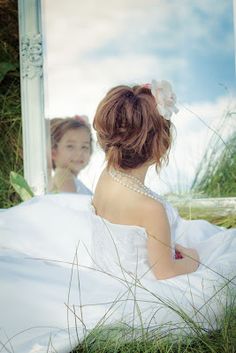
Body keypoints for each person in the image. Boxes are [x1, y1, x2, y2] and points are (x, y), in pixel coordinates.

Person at [0, 80, 235, 353]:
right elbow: (165, 272)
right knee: (225, 269)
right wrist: (193, 259)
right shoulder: (150, 208)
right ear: (160, 145)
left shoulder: (107, 176)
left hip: (109, 269)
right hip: (141, 286)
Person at [49, 115, 93, 195]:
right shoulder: (63, 175)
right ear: (54, 152)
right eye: (70, 146)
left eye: (84, 147)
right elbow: (70, 204)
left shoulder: (68, 177)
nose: (79, 153)